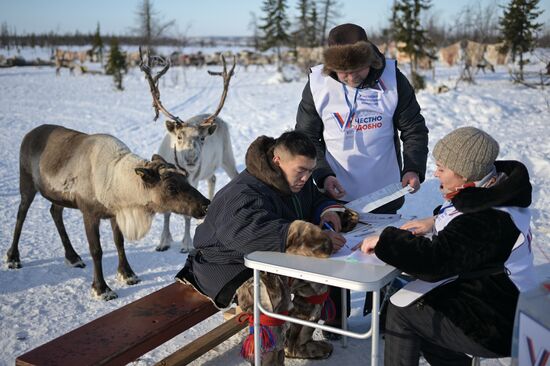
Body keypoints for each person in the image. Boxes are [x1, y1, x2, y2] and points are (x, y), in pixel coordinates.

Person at [357, 127, 537, 365]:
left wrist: (386, 241)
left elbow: (434, 262)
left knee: (403, 310)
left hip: (499, 320)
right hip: (498, 297)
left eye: (442, 167)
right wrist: (433, 222)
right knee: (417, 302)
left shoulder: (488, 219)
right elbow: (463, 222)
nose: (436, 172)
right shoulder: (494, 191)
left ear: (465, 174)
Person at [295, 22, 429, 333]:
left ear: (370, 59)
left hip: (384, 187)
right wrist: (322, 174)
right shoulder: (317, 84)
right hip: (334, 188)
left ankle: (387, 321)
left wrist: (412, 167)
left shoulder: (394, 78)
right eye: (343, 74)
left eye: (357, 70)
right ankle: (335, 321)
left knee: (382, 255)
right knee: (337, 254)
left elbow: (413, 129)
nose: (351, 78)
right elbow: (306, 138)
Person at [176, 131, 355, 363]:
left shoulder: (293, 180)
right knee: (271, 292)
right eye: (301, 171)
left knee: (316, 278)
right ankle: (268, 360)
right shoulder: (244, 193)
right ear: (277, 160)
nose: (305, 177)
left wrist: (327, 211)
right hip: (225, 266)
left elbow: (315, 199)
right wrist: (311, 239)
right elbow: (251, 233)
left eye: (310, 171)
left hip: (266, 258)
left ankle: (297, 343)